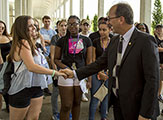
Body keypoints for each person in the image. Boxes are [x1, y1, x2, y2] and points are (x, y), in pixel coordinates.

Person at [61, 3, 160, 120]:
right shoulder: (115, 41)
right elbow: (99, 63)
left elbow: (152, 80)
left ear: (121, 19)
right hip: (118, 104)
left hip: (138, 108)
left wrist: (145, 114)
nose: (108, 22)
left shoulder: (146, 41)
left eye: (109, 19)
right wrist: (76, 73)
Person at [7, 15, 66, 120]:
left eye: (34, 25)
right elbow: (31, 66)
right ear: (22, 29)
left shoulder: (31, 43)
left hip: (36, 85)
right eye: (30, 26)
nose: (34, 28)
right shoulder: (22, 43)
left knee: (34, 117)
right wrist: (55, 73)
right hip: (22, 88)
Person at [54, 15, 92, 120]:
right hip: (66, 74)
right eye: (69, 24)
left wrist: (89, 79)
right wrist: (66, 68)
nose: (72, 26)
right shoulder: (61, 41)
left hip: (80, 74)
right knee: (66, 105)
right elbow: (56, 59)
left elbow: (89, 60)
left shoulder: (86, 40)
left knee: (76, 103)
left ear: (79, 25)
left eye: (75, 23)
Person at [89, 20, 112, 120]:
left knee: (105, 98)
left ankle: (104, 117)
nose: (101, 32)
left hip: (108, 73)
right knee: (95, 98)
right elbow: (93, 60)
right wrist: (99, 72)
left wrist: (108, 73)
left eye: (104, 30)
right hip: (96, 72)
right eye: (100, 30)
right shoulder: (95, 42)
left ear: (110, 30)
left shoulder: (114, 41)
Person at [50, 19, 67, 120]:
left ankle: (65, 112)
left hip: (66, 67)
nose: (64, 28)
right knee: (56, 91)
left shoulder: (69, 38)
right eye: (62, 26)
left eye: (65, 25)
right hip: (57, 67)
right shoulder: (55, 38)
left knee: (66, 92)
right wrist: (55, 71)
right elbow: (52, 56)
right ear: (58, 27)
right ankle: (55, 113)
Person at [0, 20, 12, 112]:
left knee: (9, 85)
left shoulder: (8, 37)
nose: (0, 29)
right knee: (2, 86)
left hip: (9, 63)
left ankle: (9, 104)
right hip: (1, 65)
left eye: (2, 28)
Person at [154, 24, 163, 103]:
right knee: (159, 79)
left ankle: (159, 94)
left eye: (160, 29)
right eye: (158, 29)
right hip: (157, 62)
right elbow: (155, 48)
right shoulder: (154, 39)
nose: (159, 30)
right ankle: (157, 94)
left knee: (161, 80)